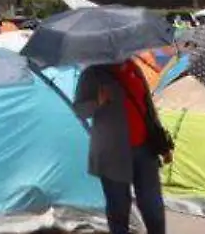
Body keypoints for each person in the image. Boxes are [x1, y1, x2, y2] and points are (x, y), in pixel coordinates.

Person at [74, 59, 172, 234]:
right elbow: (80, 110)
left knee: (153, 207)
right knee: (119, 209)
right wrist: (98, 101)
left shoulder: (133, 67)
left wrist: (162, 145)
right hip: (112, 154)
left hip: (145, 149)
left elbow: (147, 107)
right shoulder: (92, 74)